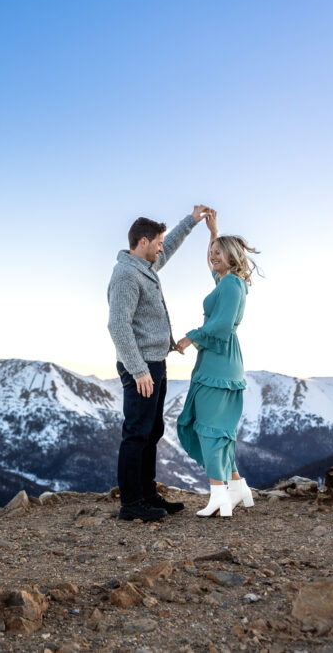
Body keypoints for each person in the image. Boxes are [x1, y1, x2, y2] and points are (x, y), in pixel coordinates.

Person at [107, 205, 211, 522]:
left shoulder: (145, 267)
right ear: (143, 242)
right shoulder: (126, 275)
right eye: (158, 243)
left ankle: (148, 494)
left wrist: (191, 221)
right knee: (137, 433)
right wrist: (139, 371)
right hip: (141, 368)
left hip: (156, 363)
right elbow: (118, 326)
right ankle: (131, 503)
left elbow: (173, 244)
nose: (161, 248)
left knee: (152, 432)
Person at [175, 210, 260, 517]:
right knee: (220, 430)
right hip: (224, 360)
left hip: (218, 361)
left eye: (218, 253)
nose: (212, 257)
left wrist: (189, 338)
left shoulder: (231, 285)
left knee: (209, 429)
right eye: (212, 253)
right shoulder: (231, 281)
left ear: (232, 256)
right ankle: (237, 488)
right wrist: (213, 233)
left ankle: (218, 495)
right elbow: (215, 272)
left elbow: (222, 325)